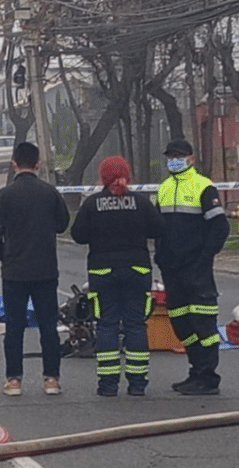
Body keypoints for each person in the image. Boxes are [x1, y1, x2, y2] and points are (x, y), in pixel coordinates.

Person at [70, 156, 164, 397]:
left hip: (103, 273)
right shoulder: (141, 203)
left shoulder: (93, 204)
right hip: (137, 271)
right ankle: (137, 383)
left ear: (102, 177)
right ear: (127, 175)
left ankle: (108, 384)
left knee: (106, 325)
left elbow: (78, 235)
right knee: (135, 325)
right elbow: (158, 229)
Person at [0, 142, 69, 396]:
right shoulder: (50, 193)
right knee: (48, 326)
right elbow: (63, 224)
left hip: (14, 271)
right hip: (45, 270)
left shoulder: (4, 196)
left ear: (14, 164)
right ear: (37, 164)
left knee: (14, 326)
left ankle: (14, 380)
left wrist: (4, 255)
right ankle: (51, 379)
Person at [154, 139, 229, 395]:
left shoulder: (204, 187)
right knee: (180, 322)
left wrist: (205, 258)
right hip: (171, 270)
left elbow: (220, 227)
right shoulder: (163, 188)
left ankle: (208, 377)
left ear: (191, 158)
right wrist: (160, 257)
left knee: (203, 323)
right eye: (170, 155)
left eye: (179, 155)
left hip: (196, 268)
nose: (174, 159)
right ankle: (196, 371)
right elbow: (157, 228)